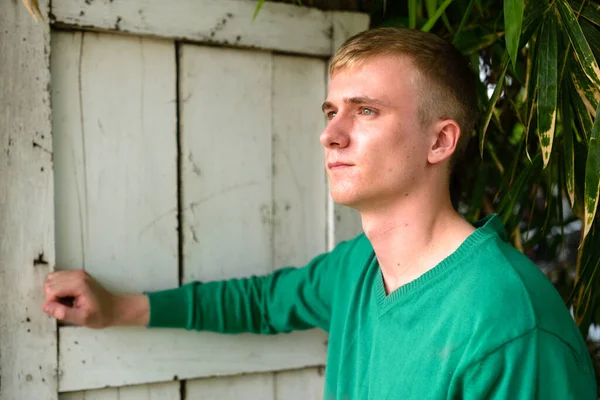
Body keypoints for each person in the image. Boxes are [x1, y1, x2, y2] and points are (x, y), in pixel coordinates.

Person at [43, 27, 597, 399]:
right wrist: (117, 307)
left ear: (440, 141)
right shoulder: (357, 270)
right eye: (332, 111)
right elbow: (260, 302)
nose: (330, 134)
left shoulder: (508, 326)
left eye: (367, 111)